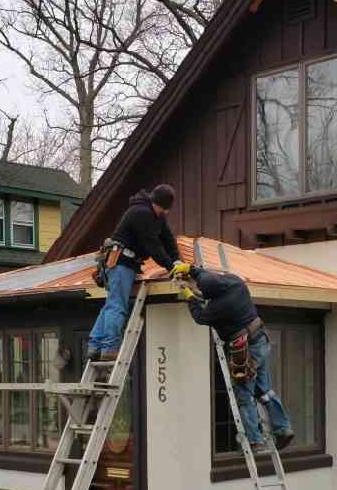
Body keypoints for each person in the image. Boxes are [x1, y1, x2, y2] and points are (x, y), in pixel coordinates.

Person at [179, 266, 294, 453]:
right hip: (261, 340)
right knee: (264, 391)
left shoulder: (218, 307)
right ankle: (283, 428)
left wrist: (189, 296)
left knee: (244, 395)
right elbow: (205, 277)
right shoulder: (236, 282)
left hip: (245, 350)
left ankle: (255, 441)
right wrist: (192, 270)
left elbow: (200, 316)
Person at [88, 185, 188, 360]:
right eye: (163, 208)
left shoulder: (157, 215)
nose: (165, 212)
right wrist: (171, 268)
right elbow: (153, 246)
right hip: (120, 262)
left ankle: (94, 346)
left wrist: (177, 261)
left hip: (128, 264)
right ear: (155, 203)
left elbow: (168, 240)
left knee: (111, 305)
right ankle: (110, 348)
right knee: (117, 307)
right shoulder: (140, 213)